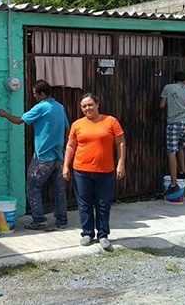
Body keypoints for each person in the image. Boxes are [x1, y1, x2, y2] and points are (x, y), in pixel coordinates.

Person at [0, 79, 69, 230]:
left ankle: (39, 219)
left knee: (32, 186)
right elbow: (67, 128)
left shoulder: (41, 107)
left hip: (43, 157)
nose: (34, 96)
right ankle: (62, 220)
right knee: (59, 190)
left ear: (42, 94)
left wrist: (4, 114)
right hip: (58, 157)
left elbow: (19, 120)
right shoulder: (60, 107)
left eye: (35, 94)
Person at [63, 93, 126, 251]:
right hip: (81, 171)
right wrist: (66, 166)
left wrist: (121, 163)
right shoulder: (77, 125)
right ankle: (87, 233)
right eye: (84, 106)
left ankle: (103, 235)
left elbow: (120, 143)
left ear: (97, 104)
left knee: (103, 204)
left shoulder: (111, 121)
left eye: (90, 104)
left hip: (105, 171)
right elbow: (70, 146)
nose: (87, 108)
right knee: (84, 204)